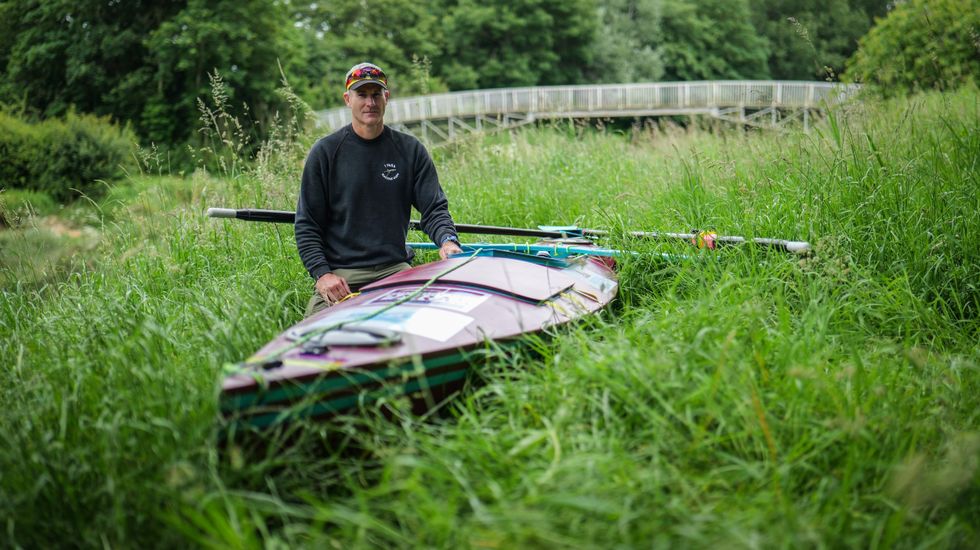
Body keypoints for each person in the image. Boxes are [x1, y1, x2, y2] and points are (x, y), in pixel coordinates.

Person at [295, 62, 462, 317]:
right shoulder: (325, 153)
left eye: (376, 94)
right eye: (361, 94)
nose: (370, 102)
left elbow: (434, 209)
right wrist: (322, 275)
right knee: (313, 335)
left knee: (431, 318)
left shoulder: (410, 149)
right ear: (347, 99)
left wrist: (448, 241)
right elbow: (307, 224)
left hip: (395, 268)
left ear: (386, 97)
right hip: (342, 275)